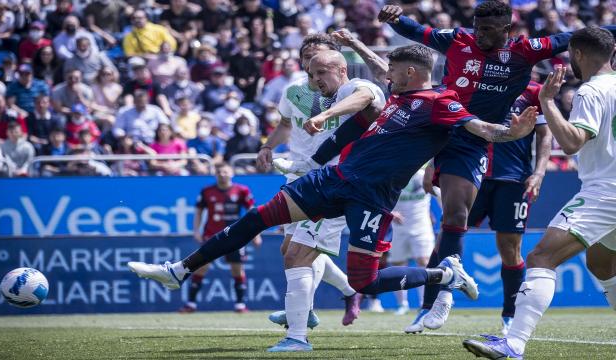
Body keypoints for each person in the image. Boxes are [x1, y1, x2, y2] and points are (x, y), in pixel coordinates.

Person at [127, 44, 537, 350]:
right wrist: (313, 161)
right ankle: (180, 270)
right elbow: (354, 128)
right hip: (334, 179)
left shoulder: (439, 102)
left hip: (372, 198)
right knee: (257, 218)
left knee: (366, 281)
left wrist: (511, 133)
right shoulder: (397, 99)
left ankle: (444, 275)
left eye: (392, 69)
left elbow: (478, 127)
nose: (386, 75)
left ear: (411, 71)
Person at [361, 1, 616, 333]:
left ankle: (470, 303)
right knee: (391, 158)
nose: (480, 35)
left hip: (478, 141)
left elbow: (579, 35)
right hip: (441, 126)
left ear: (507, 30)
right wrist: (396, 18)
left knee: (461, 217)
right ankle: (435, 296)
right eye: (478, 28)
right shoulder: (457, 39)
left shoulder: (526, 52)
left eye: (489, 30)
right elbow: (416, 31)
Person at [463, 26, 616, 360]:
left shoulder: (591, 91)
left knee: (540, 257)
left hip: (607, 192)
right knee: (603, 263)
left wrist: (547, 101)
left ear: (576, 54)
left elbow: (573, 142)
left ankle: (513, 343)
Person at [259, 36, 385, 352]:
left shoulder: (343, 91)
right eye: (307, 60)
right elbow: (286, 125)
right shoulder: (294, 92)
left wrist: (325, 114)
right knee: (291, 248)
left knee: (299, 252)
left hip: (333, 181)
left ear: (334, 61)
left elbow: (370, 91)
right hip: (300, 175)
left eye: (318, 60)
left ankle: (299, 327)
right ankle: (318, 305)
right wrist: (267, 146)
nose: (312, 67)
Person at [465, 81, 552, 335]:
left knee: (509, 248)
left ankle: (510, 316)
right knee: (448, 236)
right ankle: (429, 305)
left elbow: (545, 134)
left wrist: (539, 173)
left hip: (513, 179)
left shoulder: (534, 91)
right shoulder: (476, 82)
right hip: (472, 174)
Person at [181, 162, 262, 313]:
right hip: (211, 235)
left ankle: (240, 305)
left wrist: (256, 234)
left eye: (225, 172)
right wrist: (196, 231)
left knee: (237, 269)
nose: (222, 174)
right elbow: (198, 211)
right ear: (215, 174)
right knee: (201, 267)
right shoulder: (207, 191)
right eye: (219, 172)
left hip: (234, 236)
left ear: (231, 173)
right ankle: (191, 304)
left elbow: (253, 213)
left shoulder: (242, 190)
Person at [387, 166, 436, 316]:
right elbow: (382, 198)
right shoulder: (394, 177)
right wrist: (390, 213)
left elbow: (440, 194)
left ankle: (424, 303)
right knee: (398, 265)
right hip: (398, 228)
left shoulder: (424, 177)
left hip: (422, 226)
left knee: (424, 262)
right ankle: (402, 304)